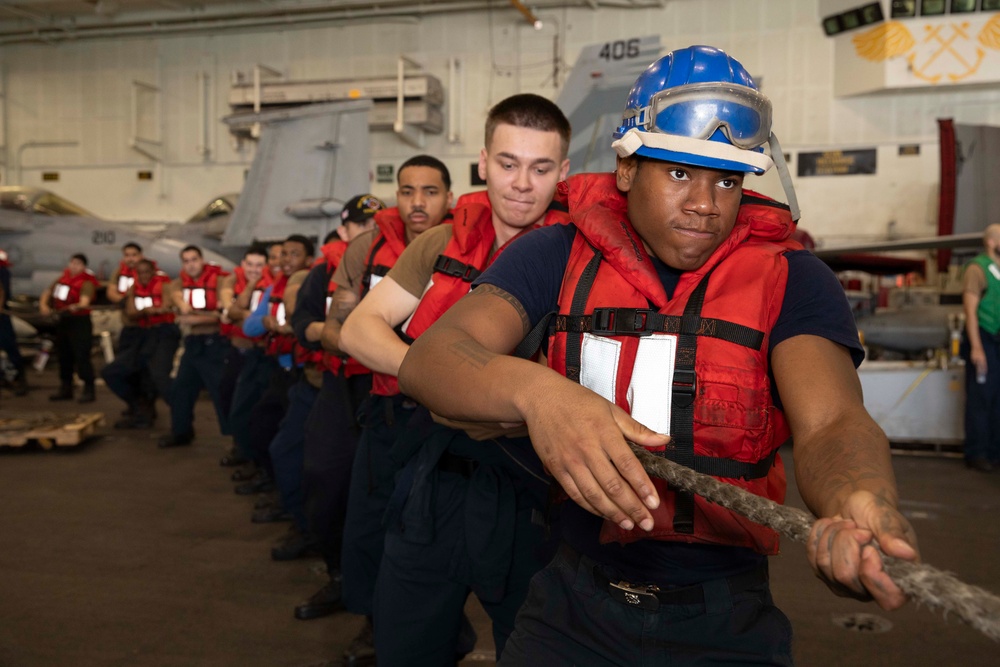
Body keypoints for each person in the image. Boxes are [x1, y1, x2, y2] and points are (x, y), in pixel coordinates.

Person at [398, 46, 920, 665]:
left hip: (726, 617)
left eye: (727, 178)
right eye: (679, 172)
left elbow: (833, 420)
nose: (705, 202)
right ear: (625, 169)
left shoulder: (794, 279)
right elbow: (432, 359)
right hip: (569, 606)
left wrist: (860, 500)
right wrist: (542, 395)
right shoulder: (554, 254)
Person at [339, 95, 570, 665]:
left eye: (541, 168)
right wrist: (437, 377)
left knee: (538, 648)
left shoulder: (581, 261)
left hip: (533, 494)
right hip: (433, 479)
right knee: (405, 643)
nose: (522, 183)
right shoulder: (440, 246)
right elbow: (360, 329)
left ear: (563, 173)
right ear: (483, 163)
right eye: (509, 163)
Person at [293, 164, 451, 628]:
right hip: (376, 397)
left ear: (449, 196)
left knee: (432, 530)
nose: (418, 202)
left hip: (445, 409)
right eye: (407, 191)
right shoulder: (367, 248)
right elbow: (336, 326)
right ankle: (369, 617)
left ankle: (428, 632)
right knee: (361, 510)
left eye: (430, 191)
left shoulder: (466, 244)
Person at [283, 195, 387, 618]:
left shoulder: (396, 270)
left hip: (384, 390)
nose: (369, 234)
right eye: (361, 226)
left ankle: (378, 599)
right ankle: (339, 577)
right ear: (343, 231)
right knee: (323, 480)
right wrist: (336, 335)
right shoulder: (324, 272)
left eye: (377, 226)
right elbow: (302, 325)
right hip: (339, 386)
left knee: (379, 498)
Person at [237, 234, 314, 501]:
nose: (286, 260)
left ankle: (289, 499)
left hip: (304, 374)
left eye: (295, 254)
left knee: (292, 444)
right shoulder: (274, 289)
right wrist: (268, 322)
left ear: (309, 260)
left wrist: (296, 329)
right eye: (284, 254)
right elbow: (249, 326)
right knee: (259, 426)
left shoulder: (314, 287)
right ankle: (274, 484)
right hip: (279, 371)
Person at [158, 245, 231, 448]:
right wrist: (182, 307)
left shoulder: (220, 281)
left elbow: (222, 317)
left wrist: (193, 319)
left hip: (216, 345)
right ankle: (181, 432)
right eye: (186, 261)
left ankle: (238, 444)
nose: (191, 265)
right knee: (181, 388)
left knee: (221, 392)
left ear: (202, 260)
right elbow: (175, 296)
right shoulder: (179, 283)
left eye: (194, 260)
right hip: (193, 345)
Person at [101, 259, 180, 428]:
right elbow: (131, 313)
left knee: (158, 374)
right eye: (140, 272)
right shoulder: (133, 289)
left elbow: (166, 305)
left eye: (147, 272)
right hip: (143, 335)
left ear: (153, 272)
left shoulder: (165, 285)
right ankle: (139, 406)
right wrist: (145, 311)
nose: (144, 276)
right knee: (112, 372)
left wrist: (152, 310)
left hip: (164, 332)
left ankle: (181, 414)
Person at [217, 244, 273, 468]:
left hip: (259, 353)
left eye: (259, 265)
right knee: (227, 395)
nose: (254, 269)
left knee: (252, 405)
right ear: (243, 264)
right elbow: (228, 312)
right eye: (250, 264)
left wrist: (243, 318)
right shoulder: (231, 280)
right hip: (237, 350)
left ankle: (249, 451)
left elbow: (239, 318)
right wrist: (246, 316)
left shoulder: (271, 284)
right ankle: (239, 444)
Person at [961, 223, 1000, 472]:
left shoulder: (997, 270)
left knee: (997, 397)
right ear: (991, 241)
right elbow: (970, 311)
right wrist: (976, 347)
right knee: (981, 397)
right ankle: (977, 452)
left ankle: (994, 452)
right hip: (983, 338)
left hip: (997, 338)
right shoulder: (977, 269)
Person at [105, 242, 157, 420]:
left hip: (147, 330)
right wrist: (126, 301)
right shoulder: (119, 273)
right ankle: (135, 405)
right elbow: (111, 292)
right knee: (128, 371)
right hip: (128, 328)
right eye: (127, 255)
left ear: (141, 255)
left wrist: (129, 303)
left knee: (142, 372)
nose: (130, 259)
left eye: (134, 255)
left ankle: (145, 406)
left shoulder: (149, 274)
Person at [39, 253, 100, 403]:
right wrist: (44, 306)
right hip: (63, 321)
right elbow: (47, 292)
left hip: (79, 322)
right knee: (63, 355)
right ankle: (66, 387)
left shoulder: (86, 283)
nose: (74, 266)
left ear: (84, 267)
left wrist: (77, 306)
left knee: (81, 356)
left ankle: (89, 388)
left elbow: (85, 301)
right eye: (72, 263)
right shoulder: (62, 279)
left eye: (78, 264)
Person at [0, 248, 28, 395]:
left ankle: (20, 379)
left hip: (1, 316)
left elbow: (3, 292)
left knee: (9, 346)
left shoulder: (2, 271)